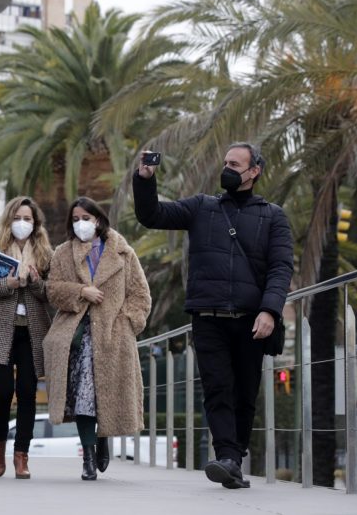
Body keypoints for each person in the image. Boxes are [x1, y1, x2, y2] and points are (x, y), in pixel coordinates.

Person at [133, 143, 293, 489]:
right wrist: (145, 179)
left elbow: (281, 268)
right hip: (208, 317)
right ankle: (228, 459)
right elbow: (153, 216)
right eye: (225, 163)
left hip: (252, 320)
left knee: (245, 392)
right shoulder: (202, 207)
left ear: (254, 171)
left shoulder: (273, 216)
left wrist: (270, 310)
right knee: (218, 388)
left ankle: (232, 461)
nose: (227, 169)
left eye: (235, 164)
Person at [44, 197, 150, 481]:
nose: (81, 223)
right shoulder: (63, 253)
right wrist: (81, 291)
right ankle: (88, 457)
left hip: (112, 336)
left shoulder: (123, 253)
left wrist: (127, 323)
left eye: (86, 218)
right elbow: (52, 290)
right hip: (76, 337)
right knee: (83, 398)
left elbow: (141, 295)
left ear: (99, 220)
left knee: (102, 396)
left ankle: (102, 437)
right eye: (76, 218)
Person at [0, 196, 53, 479]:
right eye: (17, 218)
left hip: (31, 331)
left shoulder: (43, 251)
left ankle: (21, 456)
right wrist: (8, 283)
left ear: (35, 223)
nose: (22, 223)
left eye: (27, 219)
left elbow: (51, 292)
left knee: (27, 392)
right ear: (8, 220)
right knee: (3, 392)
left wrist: (37, 282)